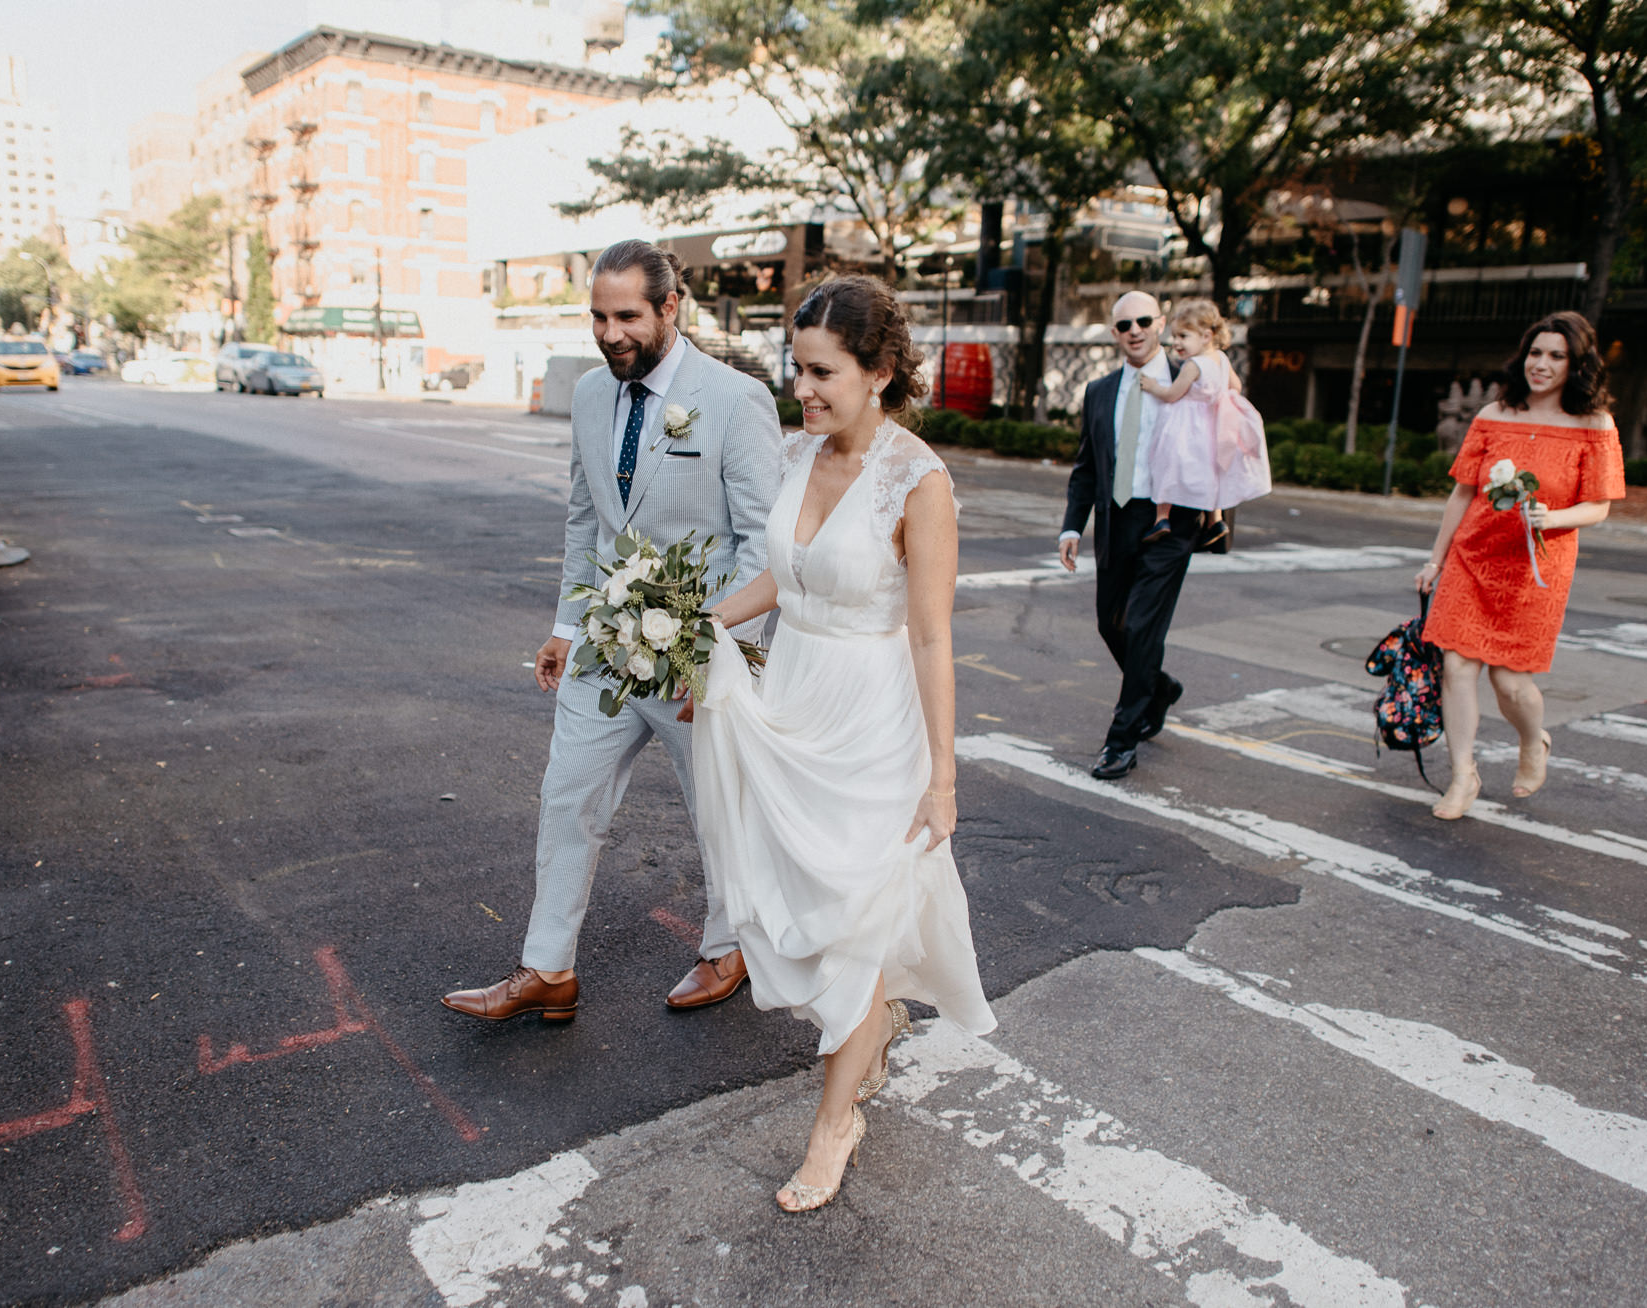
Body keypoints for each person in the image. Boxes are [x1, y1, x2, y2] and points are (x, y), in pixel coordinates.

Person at [692, 275, 996, 1213]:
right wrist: (691, 625)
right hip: (792, 700)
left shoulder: (920, 481)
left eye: (822, 373)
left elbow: (933, 635)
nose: (804, 391)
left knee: (857, 920)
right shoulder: (797, 455)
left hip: (874, 718)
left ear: (881, 371)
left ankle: (834, 1125)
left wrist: (942, 779)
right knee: (800, 899)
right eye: (798, 370)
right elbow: (784, 581)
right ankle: (871, 1025)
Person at [442, 240, 782, 1022]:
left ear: (671, 307)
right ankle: (547, 971)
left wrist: (720, 658)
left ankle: (728, 946)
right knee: (567, 798)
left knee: (716, 811)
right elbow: (586, 517)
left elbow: (763, 543)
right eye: (597, 315)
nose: (609, 332)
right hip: (603, 648)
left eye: (626, 315)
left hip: (699, 654)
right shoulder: (594, 396)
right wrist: (565, 623)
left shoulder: (735, 399)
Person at [1415, 310, 1625, 820]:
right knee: (1458, 668)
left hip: (1537, 565)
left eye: (1556, 355)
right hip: (1474, 554)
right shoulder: (1494, 413)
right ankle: (1463, 776)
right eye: (1535, 352)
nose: (1542, 364)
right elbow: (1462, 492)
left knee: (1510, 683)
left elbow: (1599, 506)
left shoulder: (1594, 425)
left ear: (1576, 364)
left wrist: (1553, 518)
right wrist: (1436, 558)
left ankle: (1534, 740)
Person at [1058, 292, 1195, 780]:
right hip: (1116, 520)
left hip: (1170, 525)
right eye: (1123, 325)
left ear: (1160, 323)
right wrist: (1073, 525)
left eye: (1142, 321)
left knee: (1140, 629)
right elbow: (1087, 467)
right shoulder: (1099, 391)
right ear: (1114, 333)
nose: (1134, 330)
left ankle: (1122, 740)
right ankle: (1157, 687)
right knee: (1109, 623)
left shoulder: (1190, 379)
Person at [1139, 298, 1271, 550]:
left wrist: (1153, 386)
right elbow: (1236, 386)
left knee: (1167, 465)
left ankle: (1162, 517)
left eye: (1183, 336)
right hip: (1213, 427)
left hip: (1186, 427)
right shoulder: (1221, 359)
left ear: (1206, 335)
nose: (1176, 342)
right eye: (1175, 336)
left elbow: (1172, 394)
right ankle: (1216, 520)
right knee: (1213, 472)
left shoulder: (1193, 365)